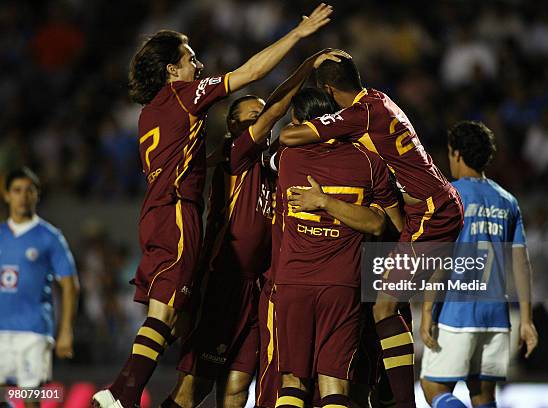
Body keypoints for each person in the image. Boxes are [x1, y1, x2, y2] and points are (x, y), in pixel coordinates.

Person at [92, 4, 333, 408]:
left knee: (166, 316)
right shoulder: (184, 97)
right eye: (189, 59)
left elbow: (192, 159)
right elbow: (251, 74)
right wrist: (299, 36)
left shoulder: (151, 112)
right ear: (171, 70)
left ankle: (123, 392)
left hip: (159, 213)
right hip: (178, 214)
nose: (198, 65)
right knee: (166, 315)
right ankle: (124, 394)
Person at [279, 56, 464, 408]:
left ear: (329, 90)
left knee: (383, 307)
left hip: (430, 211)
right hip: (428, 208)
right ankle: (391, 396)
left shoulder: (360, 113)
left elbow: (291, 134)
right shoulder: (379, 99)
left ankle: (403, 403)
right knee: (390, 303)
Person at [165, 50, 346, 408]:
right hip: (223, 281)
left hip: (258, 289)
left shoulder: (276, 164)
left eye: (262, 116)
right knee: (194, 388)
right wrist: (306, 67)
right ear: (234, 127)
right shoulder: (236, 154)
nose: (262, 122)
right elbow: (278, 110)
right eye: (252, 117)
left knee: (237, 387)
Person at [273, 87, 400, 408]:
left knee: (292, 381)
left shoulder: (287, 158)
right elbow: (377, 224)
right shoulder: (368, 162)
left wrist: (321, 200)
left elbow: (278, 138)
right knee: (335, 384)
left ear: (299, 122)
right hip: (342, 286)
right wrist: (332, 202)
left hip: (293, 282)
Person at [419, 121, 538, 408]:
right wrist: (526, 320)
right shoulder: (507, 201)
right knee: (483, 396)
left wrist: (426, 310)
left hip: (457, 313)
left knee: (432, 387)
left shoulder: (450, 195)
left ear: (456, 154)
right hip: (496, 316)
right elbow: (521, 263)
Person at [0, 167, 79, 408]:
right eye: (17, 190)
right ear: (6, 195)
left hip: (34, 331)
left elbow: (69, 285)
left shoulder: (49, 237)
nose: (23, 196)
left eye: (29, 191)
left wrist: (65, 329)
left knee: (31, 400)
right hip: (1, 329)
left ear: (37, 195)